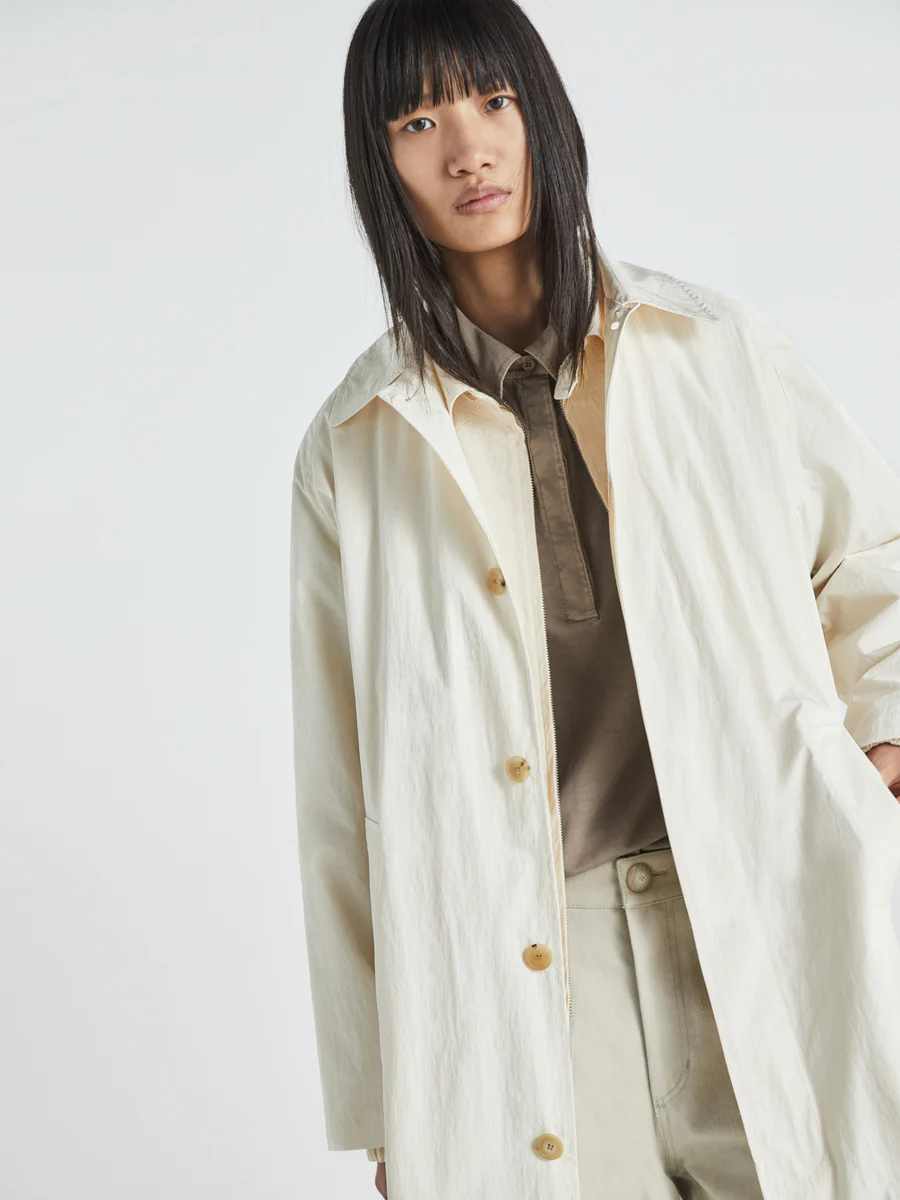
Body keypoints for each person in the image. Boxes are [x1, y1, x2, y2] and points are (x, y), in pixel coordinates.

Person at [288, 1, 900, 1197]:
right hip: (536, 966)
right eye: (418, 121)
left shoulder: (712, 349)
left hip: (758, 898)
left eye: (493, 101)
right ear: (381, 160)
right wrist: (382, 1106)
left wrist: (889, 733)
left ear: (542, 118)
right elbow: (337, 791)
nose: (468, 149)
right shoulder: (355, 450)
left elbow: (869, 556)